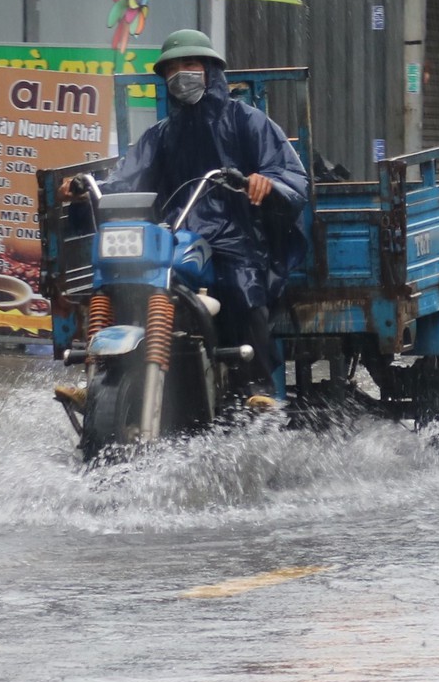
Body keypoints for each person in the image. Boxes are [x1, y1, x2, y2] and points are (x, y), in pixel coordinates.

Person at [106, 29, 309, 402]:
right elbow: (125, 178)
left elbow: (291, 176)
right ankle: (107, 382)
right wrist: (86, 188)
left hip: (237, 237)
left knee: (242, 291)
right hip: (177, 236)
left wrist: (266, 184)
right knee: (123, 286)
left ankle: (257, 387)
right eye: (172, 68)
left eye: (190, 63)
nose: (181, 74)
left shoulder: (249, 121)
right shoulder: (160, 135)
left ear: (211, 70)